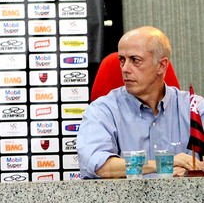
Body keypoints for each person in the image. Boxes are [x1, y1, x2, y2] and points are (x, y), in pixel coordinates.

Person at [77, 26, 204, 179]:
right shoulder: (102, 110)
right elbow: (98, 165)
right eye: (122, 60)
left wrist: (191, 171)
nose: (125, 68)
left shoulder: (195, 108)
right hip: (124, 202)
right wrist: (163, 164)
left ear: (162, 65)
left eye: (135, 60)